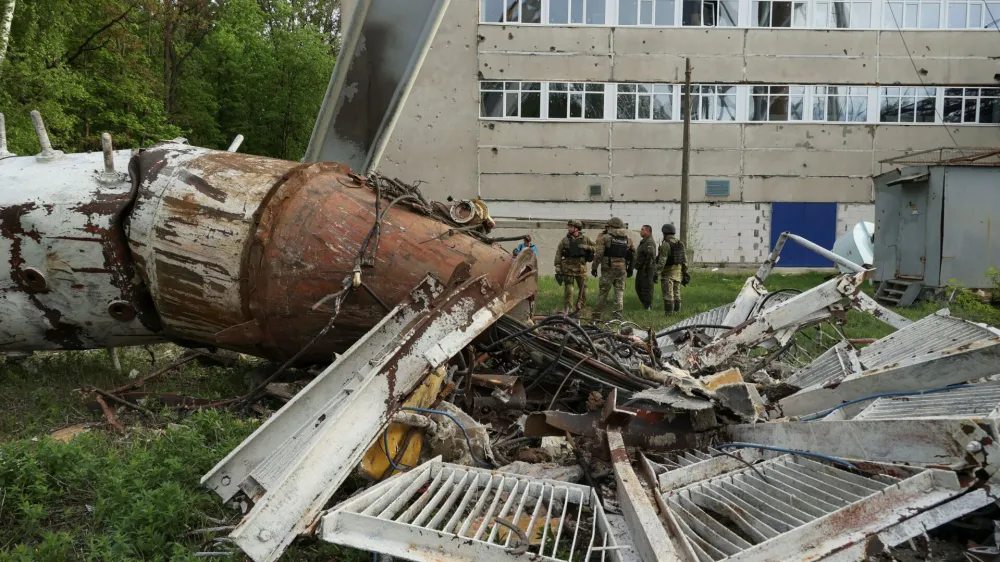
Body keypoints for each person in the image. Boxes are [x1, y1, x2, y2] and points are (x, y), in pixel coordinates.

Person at [592, 217, 634, 320]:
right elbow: (633, 254)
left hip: (608, 269)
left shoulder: (605, 238)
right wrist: (630, 268)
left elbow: (598, 255)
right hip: (622, 269)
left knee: (603, 293)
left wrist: (594, 267)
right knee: (619, 293)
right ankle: (617, 318)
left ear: (610, 226)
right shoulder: (627, 239)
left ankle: (596, 317)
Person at [554, 220, 594, 313]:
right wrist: (558, 266)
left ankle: (580, 307)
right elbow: (558, 253)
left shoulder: (586, 239)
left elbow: (597, 247)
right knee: (569, 290)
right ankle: (569, 311)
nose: (569, 228)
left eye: (571, 227)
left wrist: (587, 247)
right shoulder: (565, 240)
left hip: (581, 269)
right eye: (569, 226)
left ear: (577, 228)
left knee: (583, 289)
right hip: (568, 268)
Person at [656, 223, 687, 315]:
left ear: (664, 233)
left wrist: (656, 272)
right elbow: (684, 259)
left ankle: (668, 315)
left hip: (668, 273)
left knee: (668, 295)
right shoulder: (680, 243)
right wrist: (685, 272)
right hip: (678, 272)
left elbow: (662, 261)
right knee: (677, 293)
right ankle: (677, 313)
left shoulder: (666, 244)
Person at [634, 225, 657, 310]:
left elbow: (650, 254)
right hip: (642, 269)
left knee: (646, 288)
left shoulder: (649, 241)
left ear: (648, 231)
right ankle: (645, 305)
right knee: (639, 287)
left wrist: (646, 267)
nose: (641, 231)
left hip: (647, 269)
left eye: (642, 230)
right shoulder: (644, 241)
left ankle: (648, 306)